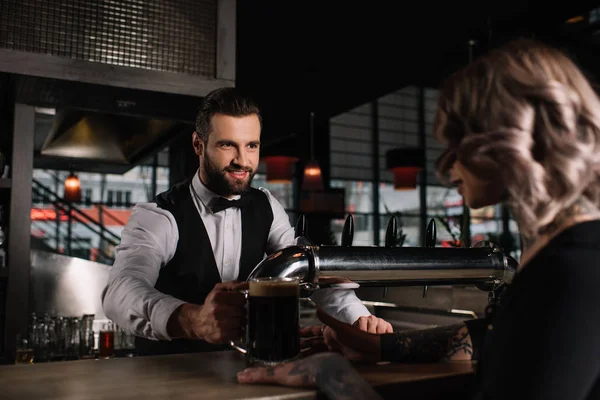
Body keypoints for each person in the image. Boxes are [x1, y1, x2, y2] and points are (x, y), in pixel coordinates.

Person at [237, 38, 600, 399]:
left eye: (458, 142)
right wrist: (379, 347)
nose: (445, 169)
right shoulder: (568, 250)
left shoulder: (572, 270)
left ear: (509, 141)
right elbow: (494, 335)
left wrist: (331, 376)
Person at [102, 87, 392, 356]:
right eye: (228, 145)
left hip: (242, 374)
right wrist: (192, 320)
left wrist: (360, 320)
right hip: (167, 378)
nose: (243, 160)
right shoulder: (158, 215)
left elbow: (307, 270)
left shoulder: (266, 205)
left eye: (251, 146)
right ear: (198, 144)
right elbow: (120, 291)